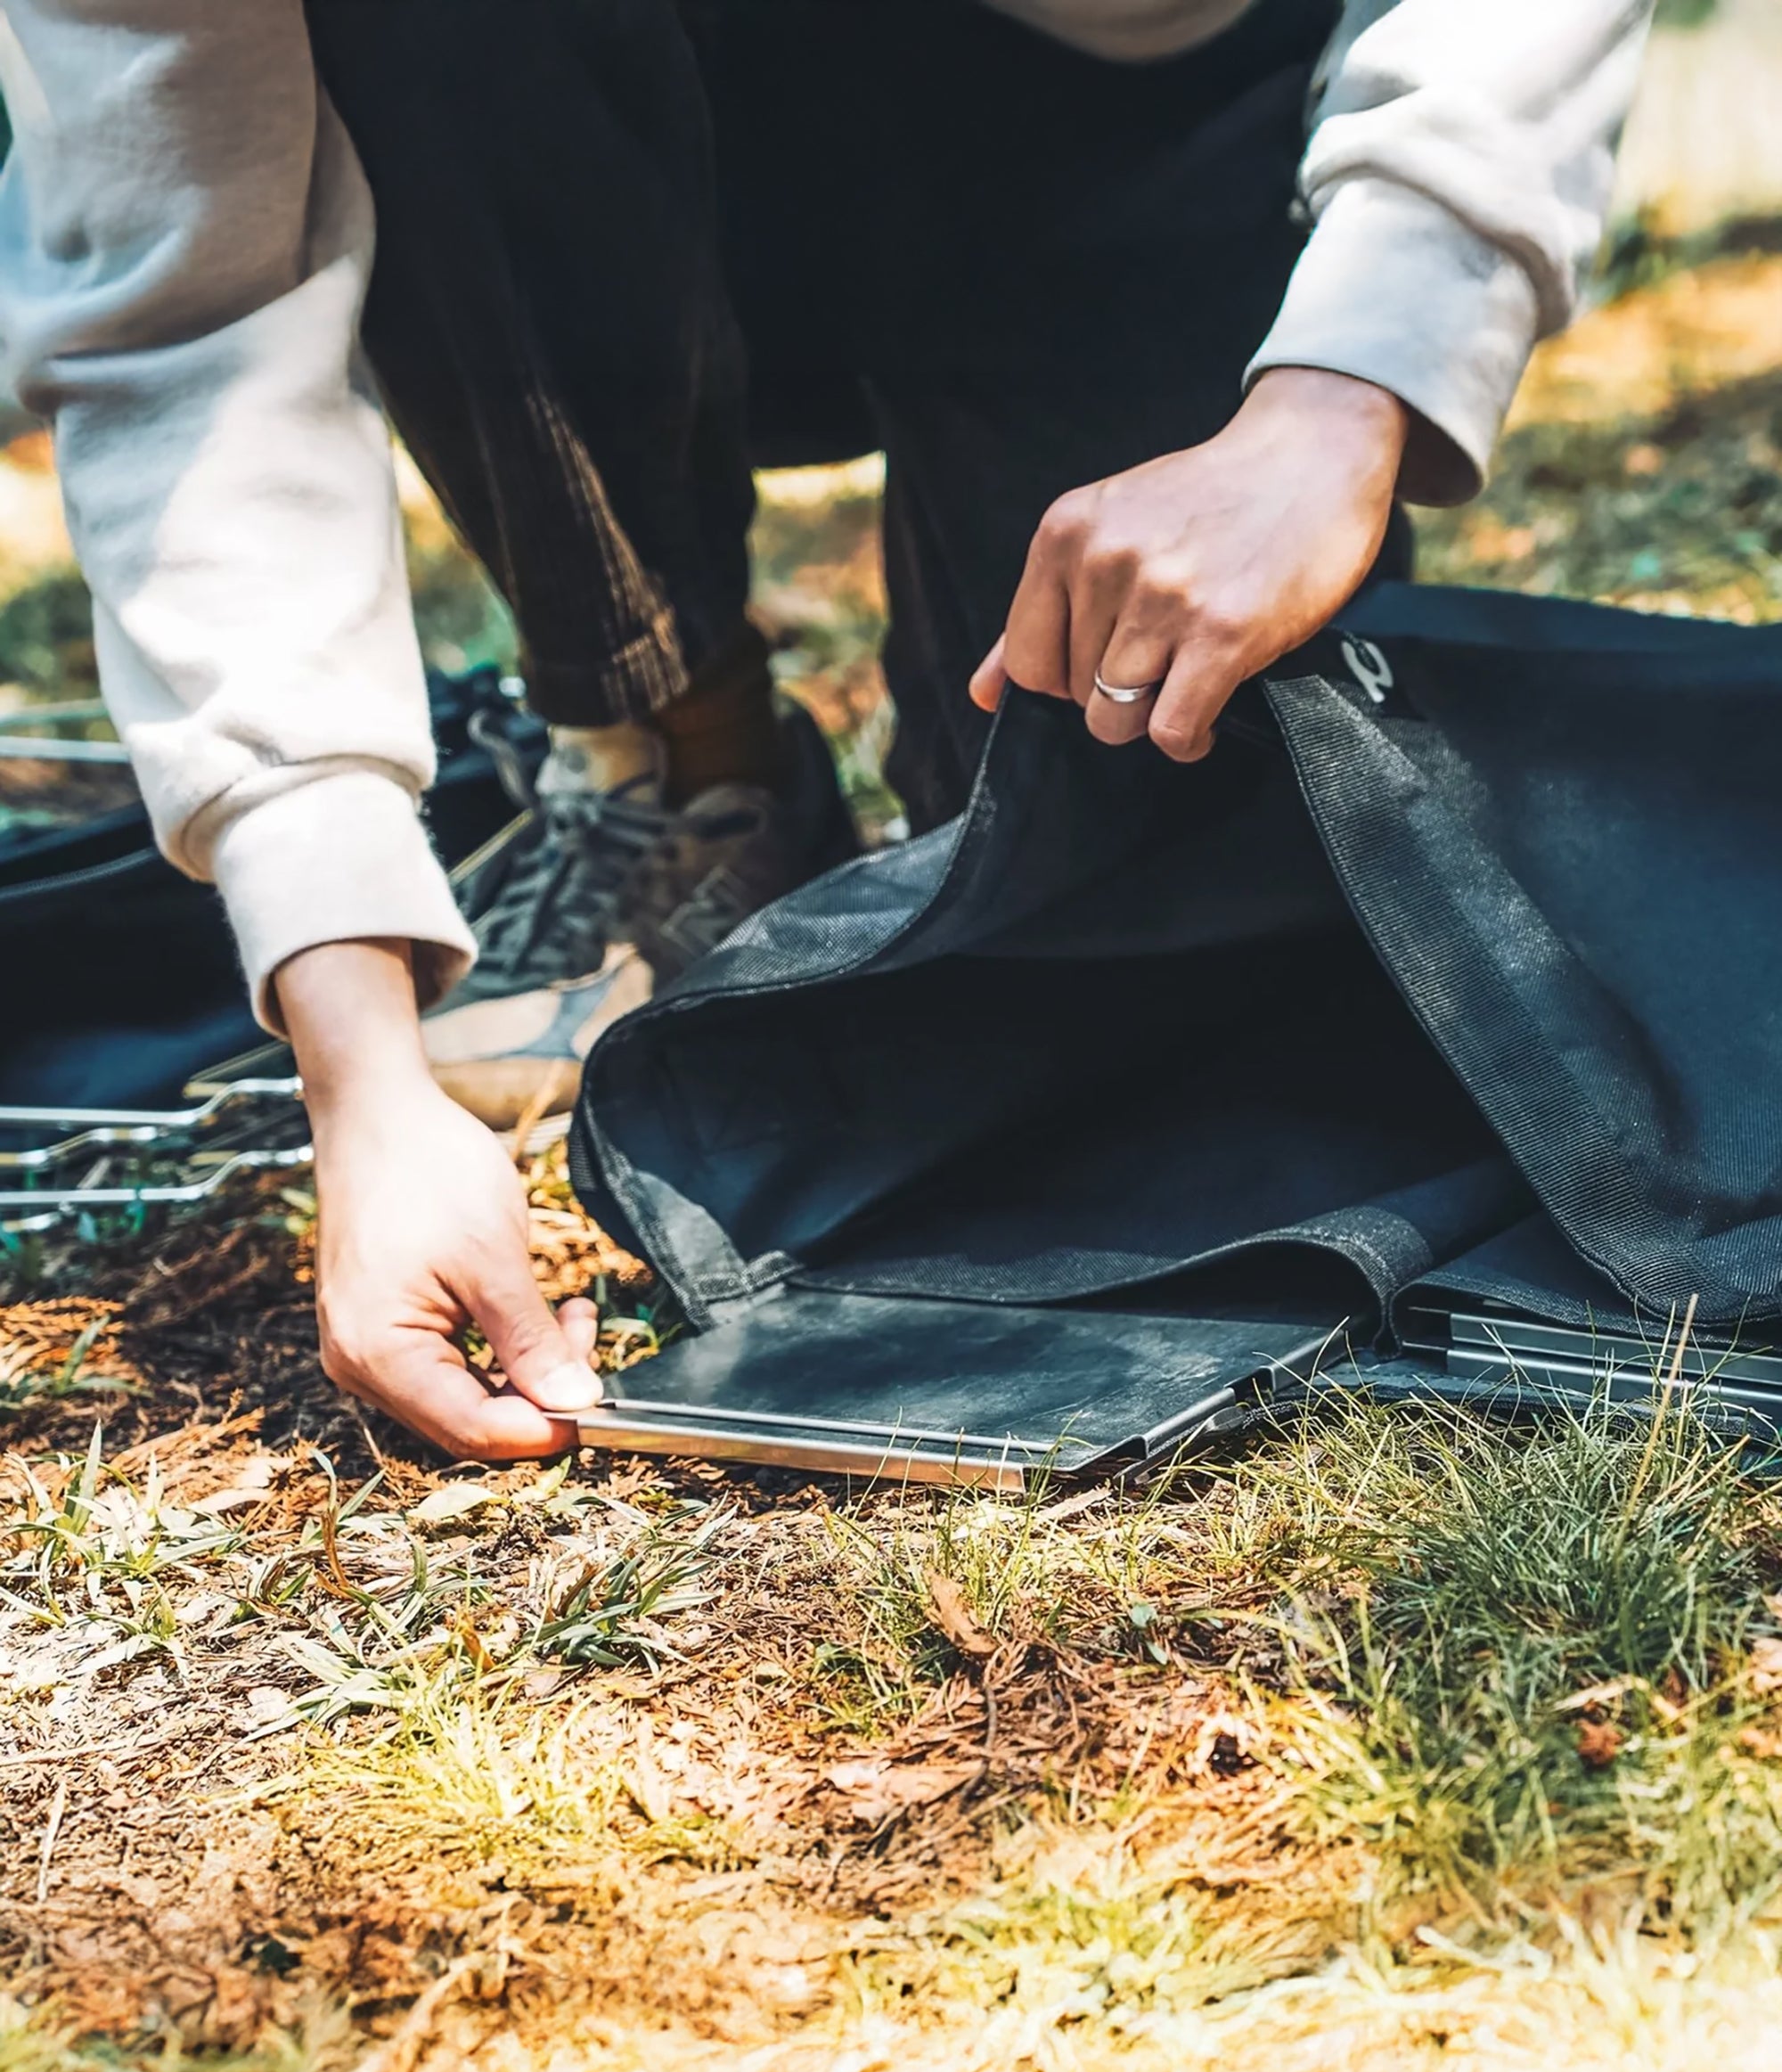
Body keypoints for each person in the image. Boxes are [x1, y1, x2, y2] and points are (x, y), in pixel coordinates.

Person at [0, 0, 1652, 1458]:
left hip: (1125, 102)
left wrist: (1339, 399)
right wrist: (357, 1077)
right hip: (606, 158)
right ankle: (682, 761)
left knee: (1109, 893)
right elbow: (185, 309)